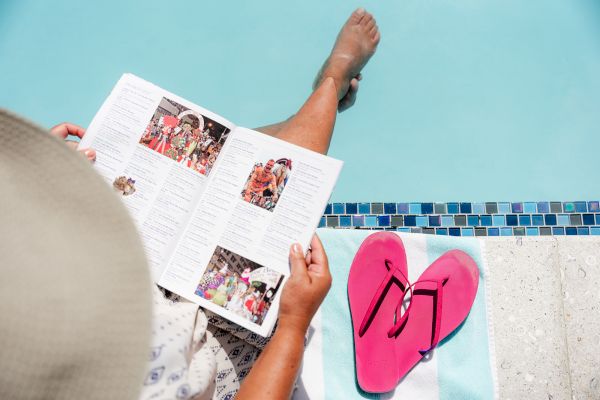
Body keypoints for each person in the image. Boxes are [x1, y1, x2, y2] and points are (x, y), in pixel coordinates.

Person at [44, 7, 380, 399]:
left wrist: (40, 184)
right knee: (272, 185)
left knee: (206, 170)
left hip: (122, 288)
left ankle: (310, 109)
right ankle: (330, 84)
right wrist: (292, 322)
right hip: (209, 348)